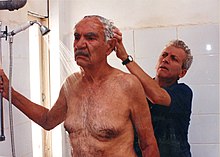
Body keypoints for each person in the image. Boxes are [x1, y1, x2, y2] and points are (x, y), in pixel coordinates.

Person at [0, 15, 159, 157]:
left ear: (109, 47)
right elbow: (47, 120)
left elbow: (148, 145)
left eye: (90, 38)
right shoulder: (71, 84)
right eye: (77, 37)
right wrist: (9, 92)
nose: (80, 44)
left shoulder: (128, 85)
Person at [113, 28, 193, 157]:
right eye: (164, 55)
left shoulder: (183, 92)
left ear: (182, 73)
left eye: (174, 59)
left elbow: (157, 96)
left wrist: (125, 58)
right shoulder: (136, 88)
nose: (166, 60)